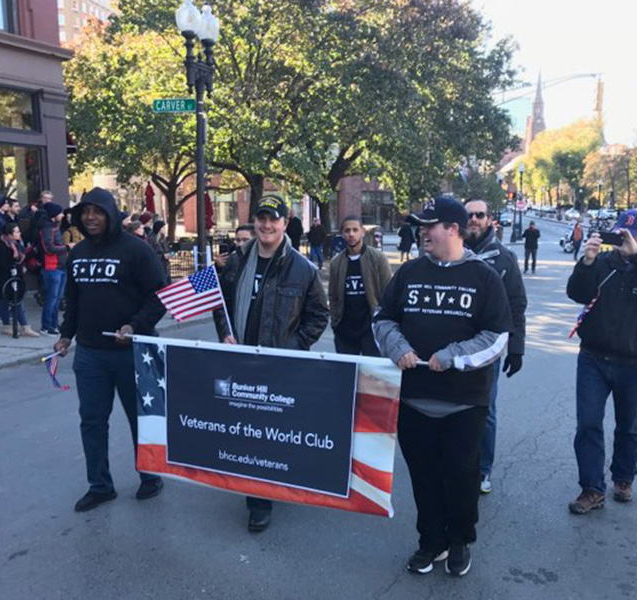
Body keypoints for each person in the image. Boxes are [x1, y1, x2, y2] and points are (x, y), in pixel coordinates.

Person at [372, 196, 513, 578]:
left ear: (453, 228)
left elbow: (498, 336)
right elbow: (383, 319)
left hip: (464, 404)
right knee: (423, 476)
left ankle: (459, 540)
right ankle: (430, 541)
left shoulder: (483, 276)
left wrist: (452, 355)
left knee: (462, 475)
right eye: (420, 225)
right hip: (415, 399)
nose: (422, 232)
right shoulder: (409, 272)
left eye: (429, 225)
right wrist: (397, 347)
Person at [214, 195, 328, 533]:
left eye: (273, 220)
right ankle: (257, 498)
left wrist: (289, 348)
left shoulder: (302, 269)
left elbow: (318, 317)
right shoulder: (236, 262)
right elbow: (219, 304)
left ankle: (268, 491)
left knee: (272, 433)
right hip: (240, 361)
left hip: (280, 366)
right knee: (247, 430)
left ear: (285, 222)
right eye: (261, 219)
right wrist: (224, 333)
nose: (266, 225)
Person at [53, 188, 168, 513]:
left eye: (97, 211)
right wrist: (65, 336)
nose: (90, 217)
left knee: (140, 419)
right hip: (90, 354)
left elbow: (159, 296)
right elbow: (74, 302)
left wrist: (134, 325)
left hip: (132, 352)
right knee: (91, 421)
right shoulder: (77, 254)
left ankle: (150, 476)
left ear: (110, 213)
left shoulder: (137, 250)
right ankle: (100, 486)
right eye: (85, 212)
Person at [566, 210, 637, 514]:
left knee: (628, 426)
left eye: (632, 236)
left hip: (635, 361)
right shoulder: (605, 263)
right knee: (588, 424)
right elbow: (576, 292)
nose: (624, 241)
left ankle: (623, 478)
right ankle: (591, 488)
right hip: (594, 357)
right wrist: (587, 261)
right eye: (620, 235)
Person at [462, 198, 527, 494]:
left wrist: (516, 347)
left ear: (489, 219)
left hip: (488, 350)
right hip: (453, 346)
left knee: (485, 409)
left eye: (479, 215)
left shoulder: (503, 257)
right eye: (468, 215)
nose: (473, 219)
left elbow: (516, 304)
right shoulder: (451, 253)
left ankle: (482, 470)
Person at [328, 215, 393, 356]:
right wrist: (336, 323)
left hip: (371, 328)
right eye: (347, 230)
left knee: (372, 375)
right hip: (345, 330)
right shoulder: (336, 263)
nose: (351, 234)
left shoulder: (378, 259)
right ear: (342, 234)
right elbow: (333, 295)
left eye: (355, 230)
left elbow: (389, 293)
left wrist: (382, 322)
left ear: (362, 232)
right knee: (346, 374)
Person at [0, 222, 40, 337]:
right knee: (13, 302)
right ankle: (21, 326)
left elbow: (22, 255)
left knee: (14, 301)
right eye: (16, 231)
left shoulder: (16, 244)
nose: (19, 233)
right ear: (10, 234)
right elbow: (4, 263)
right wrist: (16, 264)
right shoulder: (3, 245)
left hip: (16, 276)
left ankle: (16, 326)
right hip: (6, 277)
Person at [38, 203, 68, 335]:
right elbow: (49, 248)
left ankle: (54, 324)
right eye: (60, 213)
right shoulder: (47, 229)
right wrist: (67, 247)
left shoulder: (54, 227)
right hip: (52, 267)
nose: (62, 215)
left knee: (56, 298)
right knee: (52, 298)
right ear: (53, 215)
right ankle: (46, 325)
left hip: (59, 266)